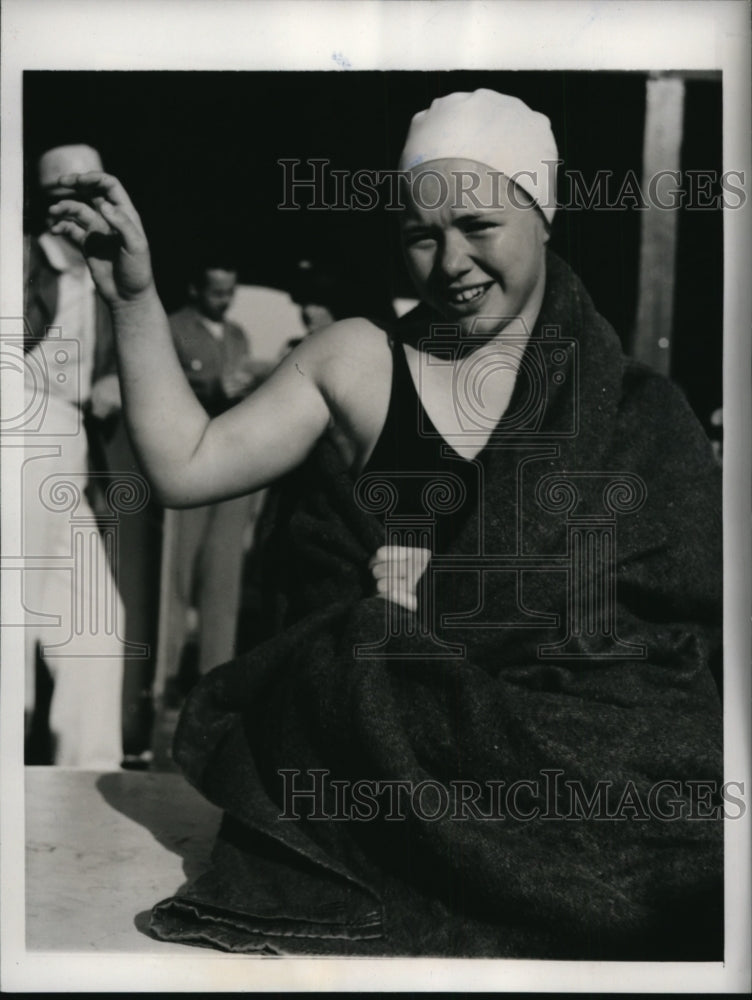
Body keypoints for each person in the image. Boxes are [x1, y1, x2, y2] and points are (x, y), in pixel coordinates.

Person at [48, 90, 722, 959]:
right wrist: (133, 295)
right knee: (347, 663)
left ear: (542, 214)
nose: (450, 263)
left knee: (674, 767)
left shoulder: (633, 407)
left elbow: (667, 624)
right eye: (420, 235)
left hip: (567, 733)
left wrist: (448, 600)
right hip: (408, 737)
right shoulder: (361, 360)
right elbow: (185, 464)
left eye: (479, 225)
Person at [23, 143, 125, 769]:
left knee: (96, 618)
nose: (75, 202)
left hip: (71, 443)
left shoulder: (106, 272)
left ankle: (88, 777)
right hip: (21, 430)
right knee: (17, 610)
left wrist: (107, 380)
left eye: (87, 188)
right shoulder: (24, 260)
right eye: (61, 190)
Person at [162, 261, 265, 684]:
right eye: (216, 292)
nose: (225, 301)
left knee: (224, 576)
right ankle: (162, 677)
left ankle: (215, 679)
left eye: (231, 291)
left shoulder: (239, 335)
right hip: (189, 460)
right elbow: (162, 387)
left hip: (231, 466)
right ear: (195, 289)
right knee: (177, 573)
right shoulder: (172, 328)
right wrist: (211, 389)